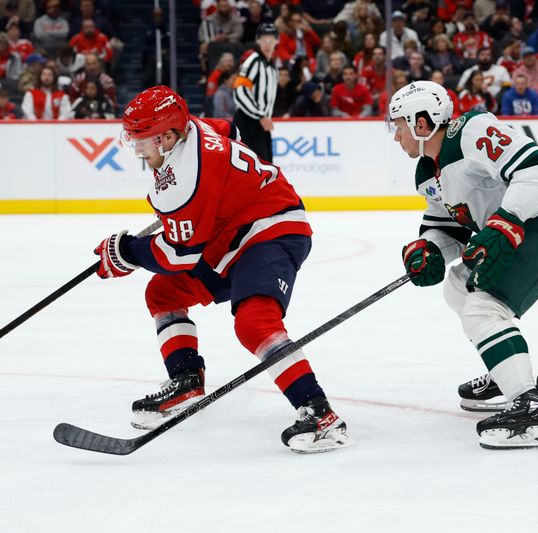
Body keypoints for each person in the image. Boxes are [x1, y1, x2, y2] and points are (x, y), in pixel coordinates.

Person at [93, 86, 352, 453]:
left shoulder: (185, 176)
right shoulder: (194, 127)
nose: (137, 150)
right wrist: (223, 195)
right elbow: (231, 130)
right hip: (230, 237)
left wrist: (126, 253)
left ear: (167, 136)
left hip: (271, 228)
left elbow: (178, 255)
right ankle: (186, 381)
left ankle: (321, 415)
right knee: (163, 293)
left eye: (142, 141)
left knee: (254, 322)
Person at [387, 80, 538, 449]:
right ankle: (506, 371)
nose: (396, 135)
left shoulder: (473, 130)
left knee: (483, 307)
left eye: (398, 125)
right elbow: (448, 226)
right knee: (457, 287)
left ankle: (528, 407)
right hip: (524, 230)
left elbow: (537, 171)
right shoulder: (426, 171)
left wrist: (505, 221)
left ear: (422, 123)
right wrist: (429, 250)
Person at [233, 23, 279, 162]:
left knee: (268, 167)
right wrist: (260, 115)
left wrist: (264, 117)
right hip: (249, 121)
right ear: (258, 40)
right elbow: (239, 90)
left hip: (260, 123)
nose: (267, 44)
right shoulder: (253, 61)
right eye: (264, 40)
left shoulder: (271, 66)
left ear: (277, 41)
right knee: (259, 168)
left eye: (271, 40)